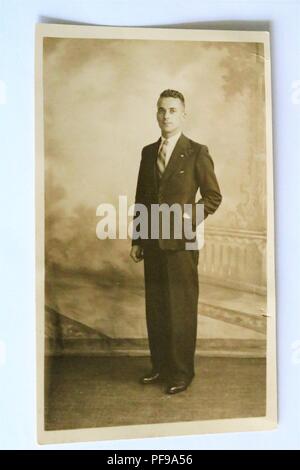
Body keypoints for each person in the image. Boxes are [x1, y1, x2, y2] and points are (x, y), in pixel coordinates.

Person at [130, 89, 222, 395]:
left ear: (183, 115)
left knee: (180, 308)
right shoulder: (147, 152)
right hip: (153, 243)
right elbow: (142, 197)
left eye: (172, 110)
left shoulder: (197, 151)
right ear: (156, 114)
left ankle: (182, 373)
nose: (166, 116)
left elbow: (212, 197)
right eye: (161, 110)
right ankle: (160, 367)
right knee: (156, 307)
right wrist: (138, 238)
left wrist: (186, 221)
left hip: (181, 246)